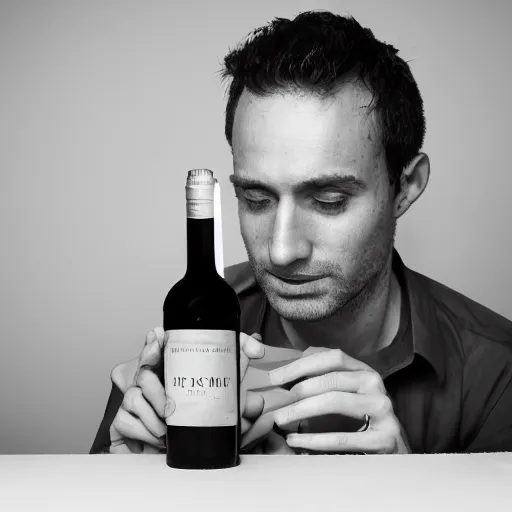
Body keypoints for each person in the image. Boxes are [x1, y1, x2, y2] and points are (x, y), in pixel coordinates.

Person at [90, 10, 512, 455]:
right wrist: (128, 484)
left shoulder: (498, 374)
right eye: (256, 199)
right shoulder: (187, 339)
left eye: (328, 201)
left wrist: (405, 488)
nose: (281, 250)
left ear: (405, 188)